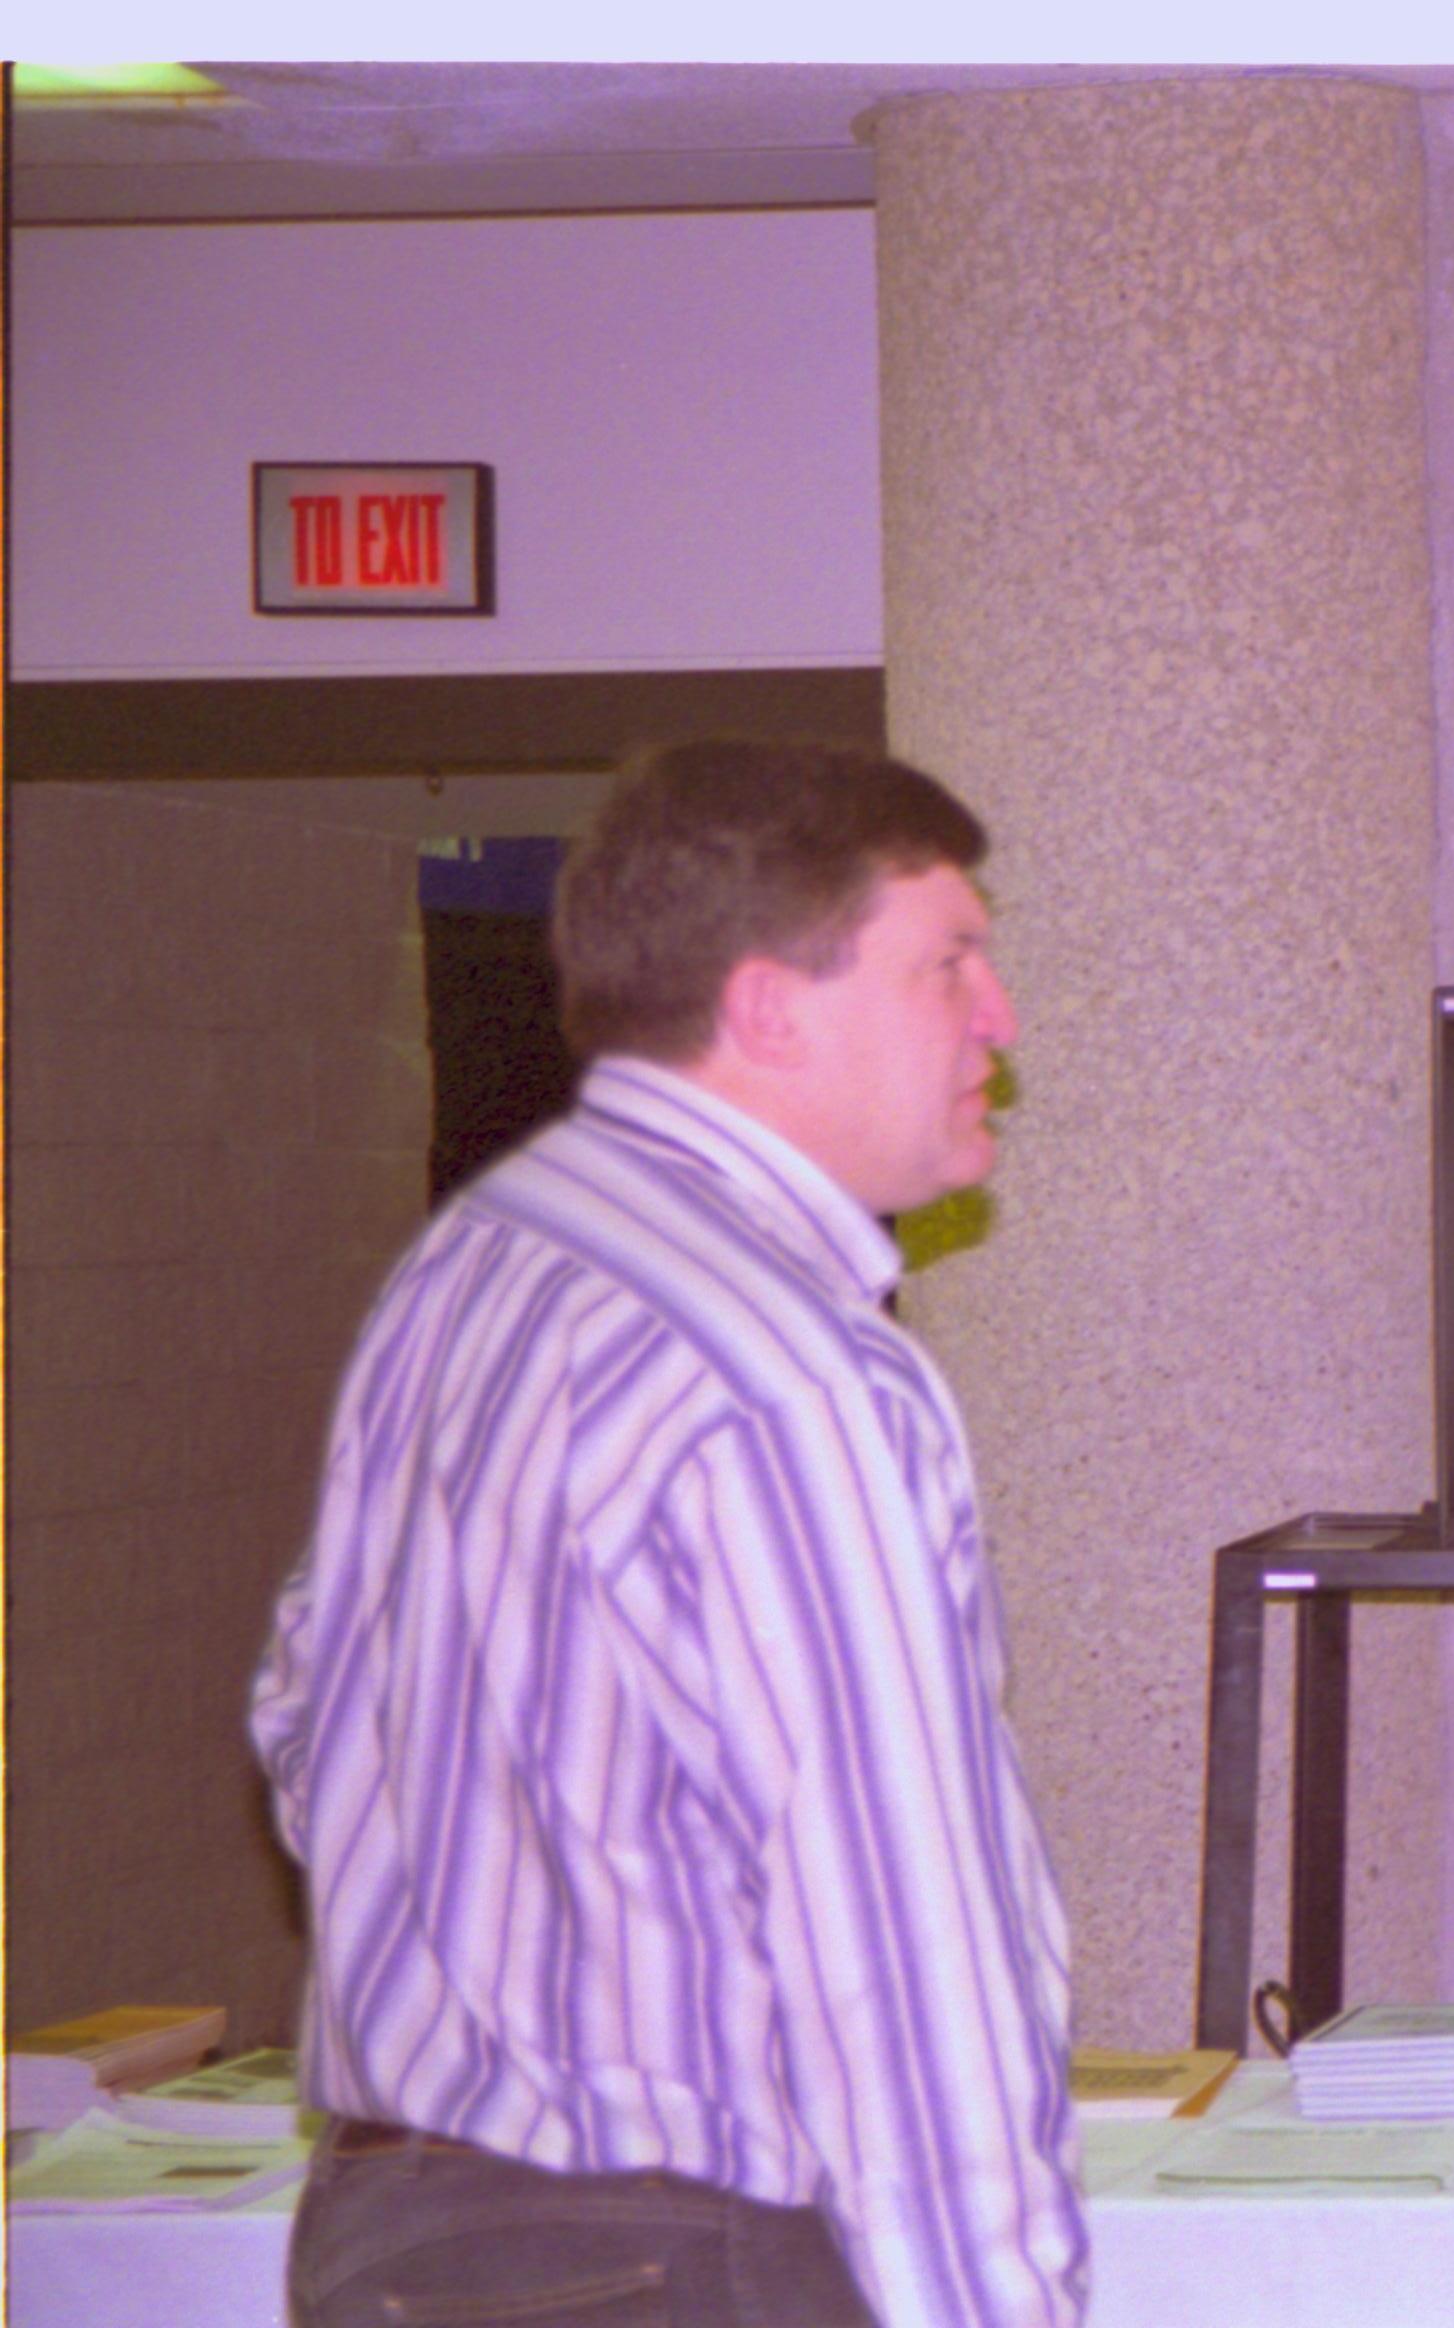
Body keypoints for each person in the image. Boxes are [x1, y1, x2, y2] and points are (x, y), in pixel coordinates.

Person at [249, 740, 1084, 2327]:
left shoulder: (471, 1273)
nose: (1000, 1016)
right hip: (671, 2266)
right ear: (771, 1008)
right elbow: (898, 1949)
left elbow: (312, 1716)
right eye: (948, 963)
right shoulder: (790, 1371)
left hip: (387, 2238)